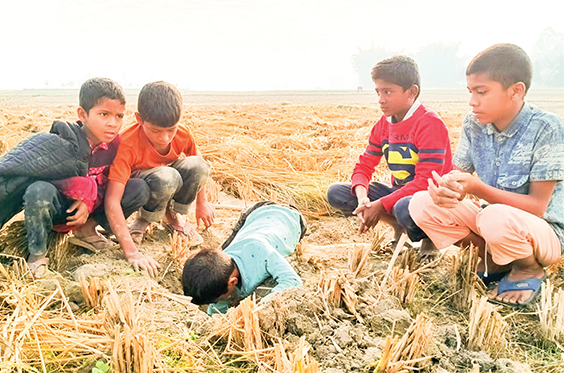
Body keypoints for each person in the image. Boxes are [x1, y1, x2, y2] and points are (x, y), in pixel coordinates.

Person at [407, 44, 564, 307]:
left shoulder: (546, 128)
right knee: (421, 202)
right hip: (495, 223)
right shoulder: (473, 123)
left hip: (543, 233)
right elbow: (459, 175)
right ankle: (494, 260)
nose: (472, 102)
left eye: (482, 92)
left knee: (494, 215)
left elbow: (537, 207)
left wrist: (477, 189)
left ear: (516, 91)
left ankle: (527, 268)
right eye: (471, 92)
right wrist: (446, 189)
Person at [0, 77, 136, 277]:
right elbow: (26, 176)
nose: (113, 123)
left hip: (89, 213)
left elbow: (112, 181)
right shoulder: (61, 143)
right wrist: (82, 190)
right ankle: (37, 255)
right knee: (39, 189)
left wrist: (89, 201)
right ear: (82, 115)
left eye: (119, 116)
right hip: (60, 209)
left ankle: (87, 231)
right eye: (104, 114)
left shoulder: (115, 146)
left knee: (138, 187)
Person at [327, 55, 453, 259]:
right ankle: (399, 227)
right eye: (378, 92)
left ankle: (431, 239)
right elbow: (364, 166)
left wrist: (381, 205)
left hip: (431, 198)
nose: (381, 100)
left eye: (388, 92)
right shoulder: (383, 124)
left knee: (405, 206)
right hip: (400, 192)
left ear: (412, 92)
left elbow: (425, 182)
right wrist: (363, 199)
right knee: (337, 193)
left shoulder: (429, 123)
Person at [105, 81, 215, 277]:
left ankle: (173, 217)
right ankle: (144, 220)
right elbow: (112, 199)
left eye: (171, 130)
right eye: (156, 131)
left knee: (198, 166)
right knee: (167, 176)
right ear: (139, 119)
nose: (165, 138)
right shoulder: (127, 144)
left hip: (167, 180)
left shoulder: (183, 134)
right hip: (142, 186)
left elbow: (198, 162)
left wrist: (202, 203)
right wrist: (131, 252)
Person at [182, 202, 305, 315]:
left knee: (262, 292)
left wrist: (260, 307)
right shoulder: (223, 259)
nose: (217, 302)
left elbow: (293, 281)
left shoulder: (263, 253)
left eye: (219, 299)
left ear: (233, 282)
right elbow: (217, 307)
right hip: (258, 220)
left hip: (289, 217)